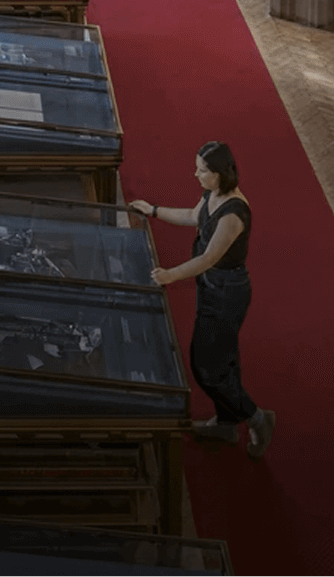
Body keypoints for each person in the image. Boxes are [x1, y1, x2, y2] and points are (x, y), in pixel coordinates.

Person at [130, 141, 274, 457]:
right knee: (220, 360)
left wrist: (170, 275)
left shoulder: (233, 214)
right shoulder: (212, 194)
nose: (196, 174)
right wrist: (153, 210)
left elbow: (208, 258)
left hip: (227, 292)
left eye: (202, 170)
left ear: (220, 173)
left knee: (207, 366)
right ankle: (225, 424)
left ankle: (258, 418)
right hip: (213, 287)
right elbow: (192, 216)